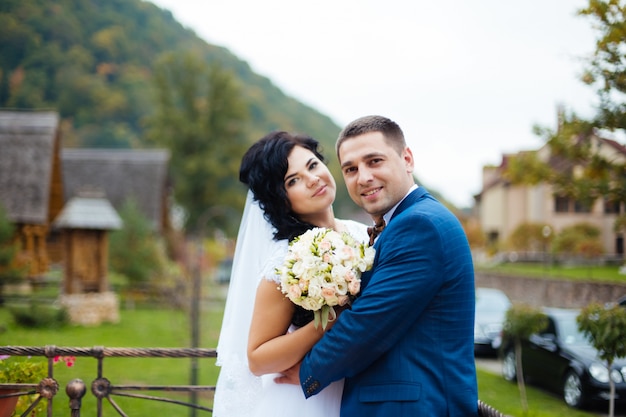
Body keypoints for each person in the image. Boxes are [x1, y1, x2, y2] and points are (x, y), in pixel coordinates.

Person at [276, 115, 479, 416]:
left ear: (406, 159)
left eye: (374, 161)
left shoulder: (419, 225)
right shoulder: (399, 224)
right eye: (351, 169)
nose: (364, 177)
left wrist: (308, 369)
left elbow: (367, 324)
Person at [213, 131, 368, 417]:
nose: (312, 179)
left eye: (312, 165)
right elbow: (258, 359)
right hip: (303, 401)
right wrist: (328, 320)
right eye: (292, 180)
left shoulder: (363, 235)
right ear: (281, 199)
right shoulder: (288, 260)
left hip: (358, 389)